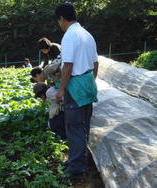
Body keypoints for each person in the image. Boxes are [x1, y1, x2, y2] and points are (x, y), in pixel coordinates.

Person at [55, 3, 99, 180]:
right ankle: (77, 160)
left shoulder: (69, 36)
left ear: (62, 18)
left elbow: (68, 66)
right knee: (84, 126)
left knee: (74, 127)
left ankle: (76, 169)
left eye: (58, 20)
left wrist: (62, 90)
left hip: (75, 85)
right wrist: (90, 81)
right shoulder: (87, 34)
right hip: (88, 82)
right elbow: (96, 63)